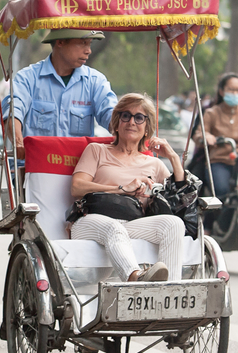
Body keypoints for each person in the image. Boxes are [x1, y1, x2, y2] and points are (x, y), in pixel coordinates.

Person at [69, 94, 186, 282]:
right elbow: (77, 187)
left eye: (139, 117)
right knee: (114, 227)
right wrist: (122, 188)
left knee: (174, 225)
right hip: (90, 220)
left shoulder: (154, 164)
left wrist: (172, 157)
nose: (132, 121)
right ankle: (135, 278)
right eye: (126, 116)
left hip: (131, 223)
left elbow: (180, 197)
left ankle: (169, 293)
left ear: (147, 128)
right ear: (117, 123)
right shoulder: (97, 150)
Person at [2, 29, 117, 160]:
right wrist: (18, 143)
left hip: (78, 171)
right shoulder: (27, 78)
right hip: (35, 168)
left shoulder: (95, 81)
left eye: (89, 44)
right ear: (60, 42)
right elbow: (13, 111)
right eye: (83, 43)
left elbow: (110, 114)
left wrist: (126, 133)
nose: (88, 50)